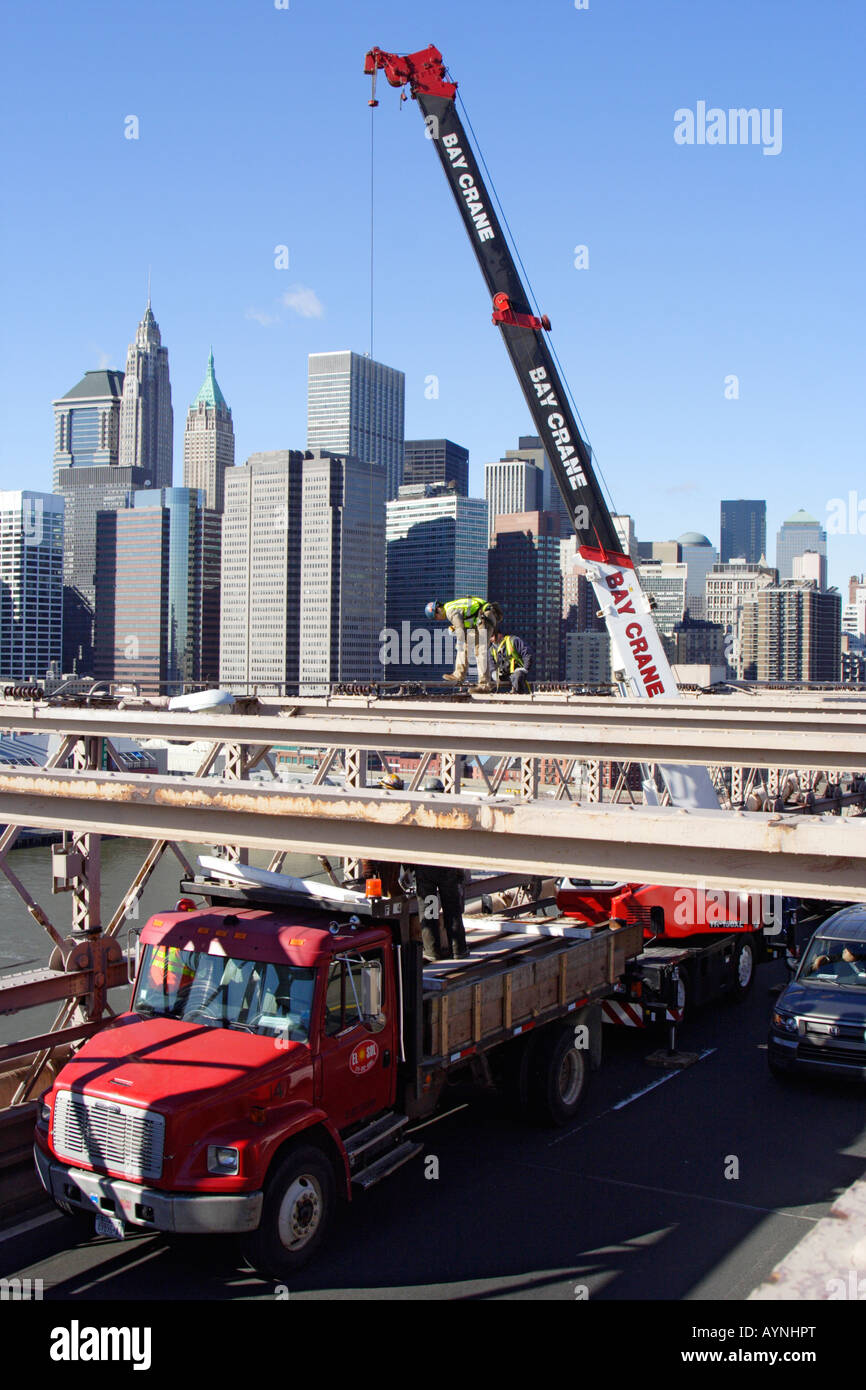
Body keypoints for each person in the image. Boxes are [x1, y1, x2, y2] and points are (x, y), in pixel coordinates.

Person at [413, 777, 468, 961]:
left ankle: (432, 952)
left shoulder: (420, 812)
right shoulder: (451, 812)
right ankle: (459, 950)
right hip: (446, 869)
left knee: (429, 912)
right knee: (452, 911)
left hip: (426, 870)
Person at [425, 597, 503, 693]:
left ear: (438, 610)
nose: (438, 620)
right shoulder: (452, 606)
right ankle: (459, 675)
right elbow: (466, 620)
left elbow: (460, 627)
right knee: (466, 646)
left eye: (436, 617)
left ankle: (484, 685)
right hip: (482, 618)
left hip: (484, 618)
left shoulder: (450, 610)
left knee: (479, 650)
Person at [491, 629, 532, 694]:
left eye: (492, 636)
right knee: (488, 680)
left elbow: (527, 654)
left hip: (515, 672)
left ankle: (517, 694)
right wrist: (493, 673)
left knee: (518, 676)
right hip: (502, 674)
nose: (491, 639)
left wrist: (525, 668)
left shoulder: (513, 641)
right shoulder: (492, 650)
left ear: (500, 635)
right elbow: (491, 664)